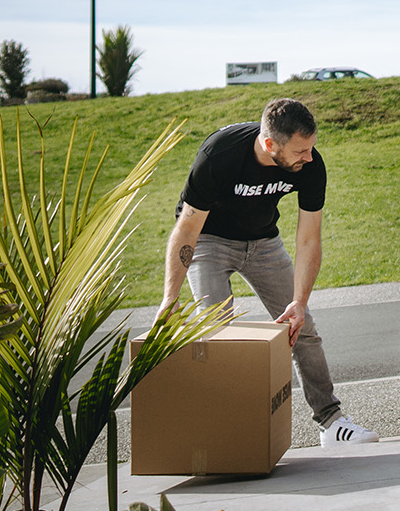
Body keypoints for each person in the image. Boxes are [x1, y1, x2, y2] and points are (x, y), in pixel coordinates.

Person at [157, 97, 379, 447]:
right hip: (210, 241)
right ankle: (226, 432)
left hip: (263, 242)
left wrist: (299, 301)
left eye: (311, 148)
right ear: (270, 144)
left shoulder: (310, 165)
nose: (308, 157)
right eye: (300, 150)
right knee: (217, 333)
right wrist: (171, 296)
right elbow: (186, 231)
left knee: (301, 327)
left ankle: (332, 423)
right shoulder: (220, 155)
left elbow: (309, 238)